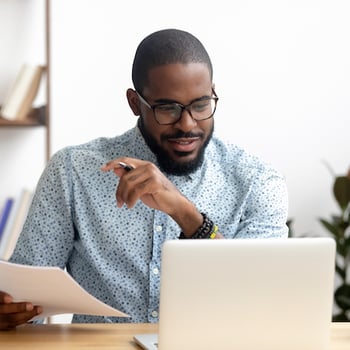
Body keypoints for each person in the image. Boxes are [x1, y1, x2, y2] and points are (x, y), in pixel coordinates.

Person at [0, 28, 288, 330]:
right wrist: (12, 312)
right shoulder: (72, 172)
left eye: (201, 105)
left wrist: (183, 212)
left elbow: (257, 298)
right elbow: (25, 304)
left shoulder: (258, 182)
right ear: (136, 103)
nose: (187, 124)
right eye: (168, 109)